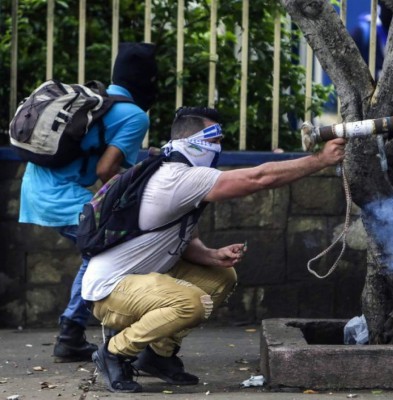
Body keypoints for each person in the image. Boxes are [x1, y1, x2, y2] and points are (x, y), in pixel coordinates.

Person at [81, 106, 346, 393]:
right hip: (110, 290)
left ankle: (159, 356)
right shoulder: (177, 177)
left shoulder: (177, 172)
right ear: (192, 142)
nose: (219, 147)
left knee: (221, 277)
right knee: (191, 303)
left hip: (140, 278)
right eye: (214, 140)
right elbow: (258, 178)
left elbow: (182, 241)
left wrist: (210, 255)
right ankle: (114, 352)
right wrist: (319, 160)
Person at [18, 42, 158, 362]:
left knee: (100, 250)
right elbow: (106, 169)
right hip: (62, 196)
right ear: (147, 80)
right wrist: (135, 193)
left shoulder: (100, 100)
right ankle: (71, 333)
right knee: (105, 249)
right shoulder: (134, 115)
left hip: (36, 188)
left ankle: (75, 332)